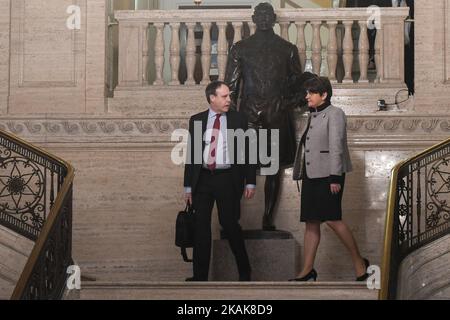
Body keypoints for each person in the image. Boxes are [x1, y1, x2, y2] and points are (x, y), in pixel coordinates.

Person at [225, 2, 310, 231]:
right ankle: (233, 219)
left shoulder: (288, 49)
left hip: (277, 114)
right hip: (248, 115)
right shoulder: (240, 49)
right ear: (254, 18)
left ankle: (267, 219)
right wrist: (230, 116)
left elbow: (298, 85)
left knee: (274, 169)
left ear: (273, 19)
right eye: (259, 15)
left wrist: (288, 103)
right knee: (242, 165)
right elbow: (230, 88)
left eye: (267, 15)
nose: (263, 18)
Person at [290, 75, 369, 281]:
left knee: (333, 219)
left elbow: (336, 147)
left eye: (311, 93)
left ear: (324, 94)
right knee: (311, 222)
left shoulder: (335, 114)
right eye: (306, 92)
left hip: (330, 176)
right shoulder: (313, 114)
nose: (307, 96)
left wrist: (335, 177)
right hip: (311, 175)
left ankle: (359, 263)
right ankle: (307, 270)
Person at [183, 81, 257, 281]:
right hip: (203, 181)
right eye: (224, 97)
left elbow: (248, 152)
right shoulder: (197, 120)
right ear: (212, 98)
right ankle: (199, 277)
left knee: (230, 225)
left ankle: (245, 272)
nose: (229, 100)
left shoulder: (239, 119)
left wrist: (251, 181)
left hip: (227, 179)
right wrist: (188, 186)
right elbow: (192, 155)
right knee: (201, 228)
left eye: (229, 96)